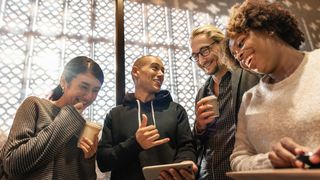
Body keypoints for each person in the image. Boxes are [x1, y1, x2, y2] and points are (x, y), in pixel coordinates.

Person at [226, 0, 320, 171]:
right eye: (236, 56)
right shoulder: (250, 99)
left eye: (241, 43)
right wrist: (269, 160)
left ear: (268, 28)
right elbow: (238, 159)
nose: (239, 56)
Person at [0, 56, 104, 179]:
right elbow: (13, 164)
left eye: (95, 90)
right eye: (84, 87)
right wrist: (68, 116)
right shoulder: (35, 105)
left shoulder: (84, 127)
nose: (89, 96)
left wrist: (88, 159)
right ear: (63, 81)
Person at [97, 55, 197, 180]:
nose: (161, 74)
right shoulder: (115, 114)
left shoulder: (176, 110)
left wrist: (184, 162)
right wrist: (136, 143)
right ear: (135, 71)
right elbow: (103, 161)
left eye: (163, 71)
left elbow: (187, 146)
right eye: (155, 68)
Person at [189, 24, 260, 179]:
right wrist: (199, 127)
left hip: (239, 174)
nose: (201, 60)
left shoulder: (251, 78)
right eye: (195, 56)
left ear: (221, 44)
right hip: (207, 175)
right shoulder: (203, 92)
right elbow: (200, 142)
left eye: (204, 51)